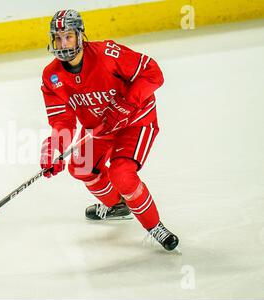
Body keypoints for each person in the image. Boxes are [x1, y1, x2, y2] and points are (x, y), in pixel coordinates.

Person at [39, 9, 179, 251]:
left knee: (122, 175)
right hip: (100, 129)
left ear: (81, 35)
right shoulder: (52, 76)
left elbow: (153, 73)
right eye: (58, 38)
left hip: (135, 121)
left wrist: (127, 103)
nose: (63, 43)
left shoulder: (107, 54)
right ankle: (117, 206)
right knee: (80, 165)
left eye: (68, 36)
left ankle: (154, 226)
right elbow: (62, 120)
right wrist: (55, 148)